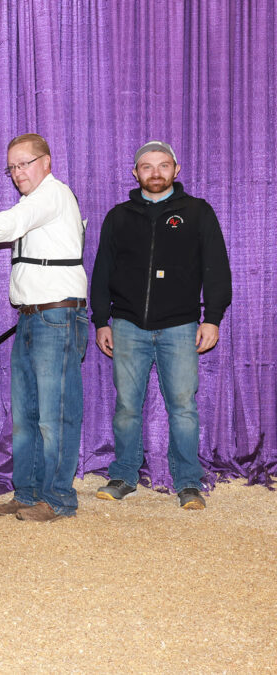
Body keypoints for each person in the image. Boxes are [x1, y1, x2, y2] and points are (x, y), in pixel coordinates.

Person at [0, 133, 88, 522]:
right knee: (26, 415)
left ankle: (59, 498)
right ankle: (27, 494)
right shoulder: (33, 202)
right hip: (31, 317)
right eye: (12, 167)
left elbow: (14, 222)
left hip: (57, 317)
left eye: (24, 163)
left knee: (55, 413)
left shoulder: (53, 194)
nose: (17, 173)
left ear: (47, 162)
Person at [90, 141, 232, 510]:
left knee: (183, 407)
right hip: (127, 326)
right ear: (135, 173)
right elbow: (102, 270)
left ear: (176, 170)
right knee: (127, 407)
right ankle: (123, 475)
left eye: (163, 165)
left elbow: (216, 268)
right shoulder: (118, 216)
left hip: (181, 327)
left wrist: (212, 318)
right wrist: (101, 320)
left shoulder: (198, 212)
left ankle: (188, 482)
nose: (156, 173)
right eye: (147, 166)